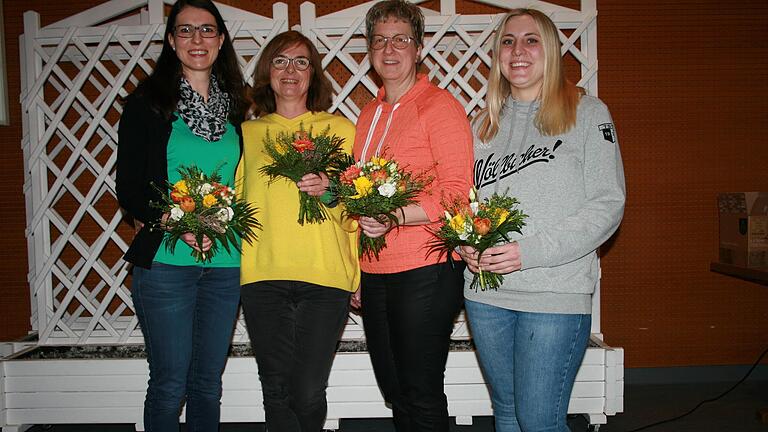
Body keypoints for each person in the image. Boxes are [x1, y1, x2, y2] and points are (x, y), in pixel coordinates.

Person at [458, 8, 626, 432]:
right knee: (509, 415)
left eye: (531, 40)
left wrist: (526, 252)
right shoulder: (481, 126)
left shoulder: (587, 113)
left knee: (539, 420)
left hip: (553, 293)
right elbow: (466, 204)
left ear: (550, 49)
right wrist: (463, 241)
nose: (518, 50)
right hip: (487, 295)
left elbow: (608, 204)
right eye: (508, 41)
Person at [115, 0, 248, 429]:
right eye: (186, 31)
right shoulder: (147, 105)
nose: (197, 39)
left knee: (208, 382)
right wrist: (178, 224)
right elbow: (131, 190)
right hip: (168, 264)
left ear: (221, 39)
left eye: (207, 30)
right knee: (170, 383)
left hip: (226, 265)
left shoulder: (235, 109)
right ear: (171, 41)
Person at [351, 1, 474, 430]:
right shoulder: (368, 114)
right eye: (380, 39)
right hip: (377, 271)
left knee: (419, 392)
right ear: (369, 49)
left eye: (401, 39)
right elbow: (360, 199)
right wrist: (359, 269)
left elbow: (458, 195)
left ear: (418, 48)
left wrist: (396, 217)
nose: (390, 49)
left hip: (426, 268)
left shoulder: (440, 107)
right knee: (396, 391)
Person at [238, 30, 360, 432]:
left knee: (308, 390)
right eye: (280, 61)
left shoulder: (341, 131)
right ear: (267, 72)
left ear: (314, 74)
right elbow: (235, 204)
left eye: (301, 62)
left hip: (324, 276)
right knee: (275, 387)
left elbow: (356, 210)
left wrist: (331, 191)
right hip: (262, 276)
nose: (290, 70)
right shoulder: (247, 135)